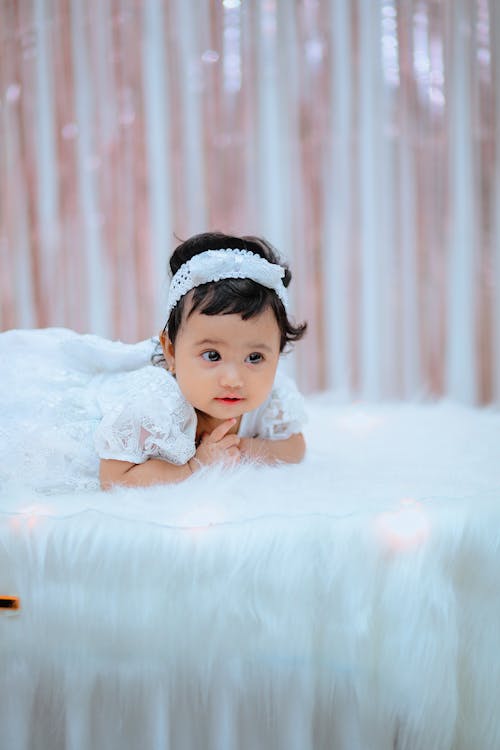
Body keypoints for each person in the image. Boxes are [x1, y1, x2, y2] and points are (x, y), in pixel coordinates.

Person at [0, 232, 307, 493]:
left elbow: (295, 446)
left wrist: (247, 448)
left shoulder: (268, 394)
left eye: (255, 357)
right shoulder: (155, 406)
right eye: (212, 355)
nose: (233, 378)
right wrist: (195, 466)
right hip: (94, 413)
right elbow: (114, 478)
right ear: (171, 353)